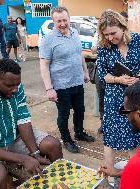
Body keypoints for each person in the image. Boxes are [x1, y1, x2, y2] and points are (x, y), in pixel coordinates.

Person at [0, 59, 63, 189]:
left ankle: (59, 184)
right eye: (10, 85)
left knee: (53, 145)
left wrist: (34, 153)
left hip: (13, 136)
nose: (15, 90)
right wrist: (23, 159)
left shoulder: (16, 87)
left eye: (18, 84)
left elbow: (23, 121)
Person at [97, 9, 140, 169]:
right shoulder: (104, 46)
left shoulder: (138, 40)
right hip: (113, 97)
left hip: (135, 97)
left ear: (123, 27)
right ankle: (108, 171)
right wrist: (118, 79)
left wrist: (138, 78)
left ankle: (138, 172)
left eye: (113, 33)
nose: (110, 38)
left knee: (135, 131)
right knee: (110, 133)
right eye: (106, 34)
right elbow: (102, 74)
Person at [39, 6, 95, 154]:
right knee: (64, 114)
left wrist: (85, 72)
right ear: (53, 21)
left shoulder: (75, 33)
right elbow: (44, 65)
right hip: (60, 85)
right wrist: (49, 88)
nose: (62, 24)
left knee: (80, 110)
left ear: (69, 19)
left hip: (77, 81)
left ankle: (79, 132)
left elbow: (80, 54)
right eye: (59, 21)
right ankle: (67, 140)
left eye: (65, 20)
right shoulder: (48, 40)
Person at [91, 11, 129, 134]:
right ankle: (104, 122)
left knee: (124, 101)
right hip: (102, 72)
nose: (110, 37)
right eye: (106, 34)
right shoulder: (99, 36)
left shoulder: (128, 40)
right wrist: (100, 46)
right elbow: (93, 50)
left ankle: (123, 124)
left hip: (119, 74)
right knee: (102, 98)